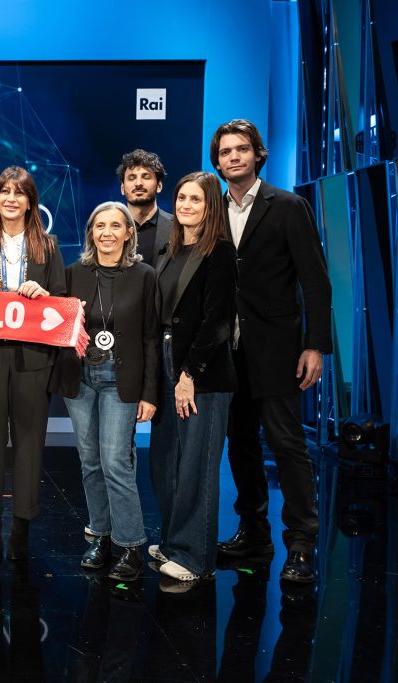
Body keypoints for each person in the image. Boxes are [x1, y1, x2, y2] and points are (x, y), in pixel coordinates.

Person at [211, 119, 332, 584]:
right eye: (226, 152)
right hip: (228, 349)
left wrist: (315, 345)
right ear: (217, 161)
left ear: (257, 155)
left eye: (241, 149)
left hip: (278, 347)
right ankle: (254, 534)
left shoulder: (288, 206)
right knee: (239, 442)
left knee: (286, 443)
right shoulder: (213, 210)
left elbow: (315, 282)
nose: (234, 157)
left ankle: (301, 543)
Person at [0, 166, 66, 560]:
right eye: (4, 191)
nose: (11, 198)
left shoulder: (48, 245)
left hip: (33, 357)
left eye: (19, 192)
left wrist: (44, 294)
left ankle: (21, 527)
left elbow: (62, 299)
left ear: (30, 201)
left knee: (29, 443)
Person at [50, 201, 158, 580]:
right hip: (80, 376)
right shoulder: (73, 273)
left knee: (115, 461)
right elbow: (54, 320)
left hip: (121, 378)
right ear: (90, 233)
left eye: (115, 226)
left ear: (129, 233)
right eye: (99, 226)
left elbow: (150, 338)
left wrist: (150, 393)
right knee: (90, 461)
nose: (107, 233)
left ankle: (131, 545)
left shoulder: (145, 276)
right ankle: (101, 535)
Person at [149, 171, 238, 582]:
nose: (185, 205)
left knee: (195, 467)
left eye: (195, 200)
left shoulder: (219, 251)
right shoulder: (169, 250)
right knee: (165, 460)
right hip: (166, 360)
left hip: (200, 371)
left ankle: (194, 557)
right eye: (182, 198)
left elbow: (217, 321)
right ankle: (172, 542)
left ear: (210, 206)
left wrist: (190, 374)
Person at [117, 149, 172, 267]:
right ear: (122, 188)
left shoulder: (178, 227)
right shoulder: (108, 229)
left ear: (159, 186)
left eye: (146, 177)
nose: (138, 183)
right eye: (131, 178)